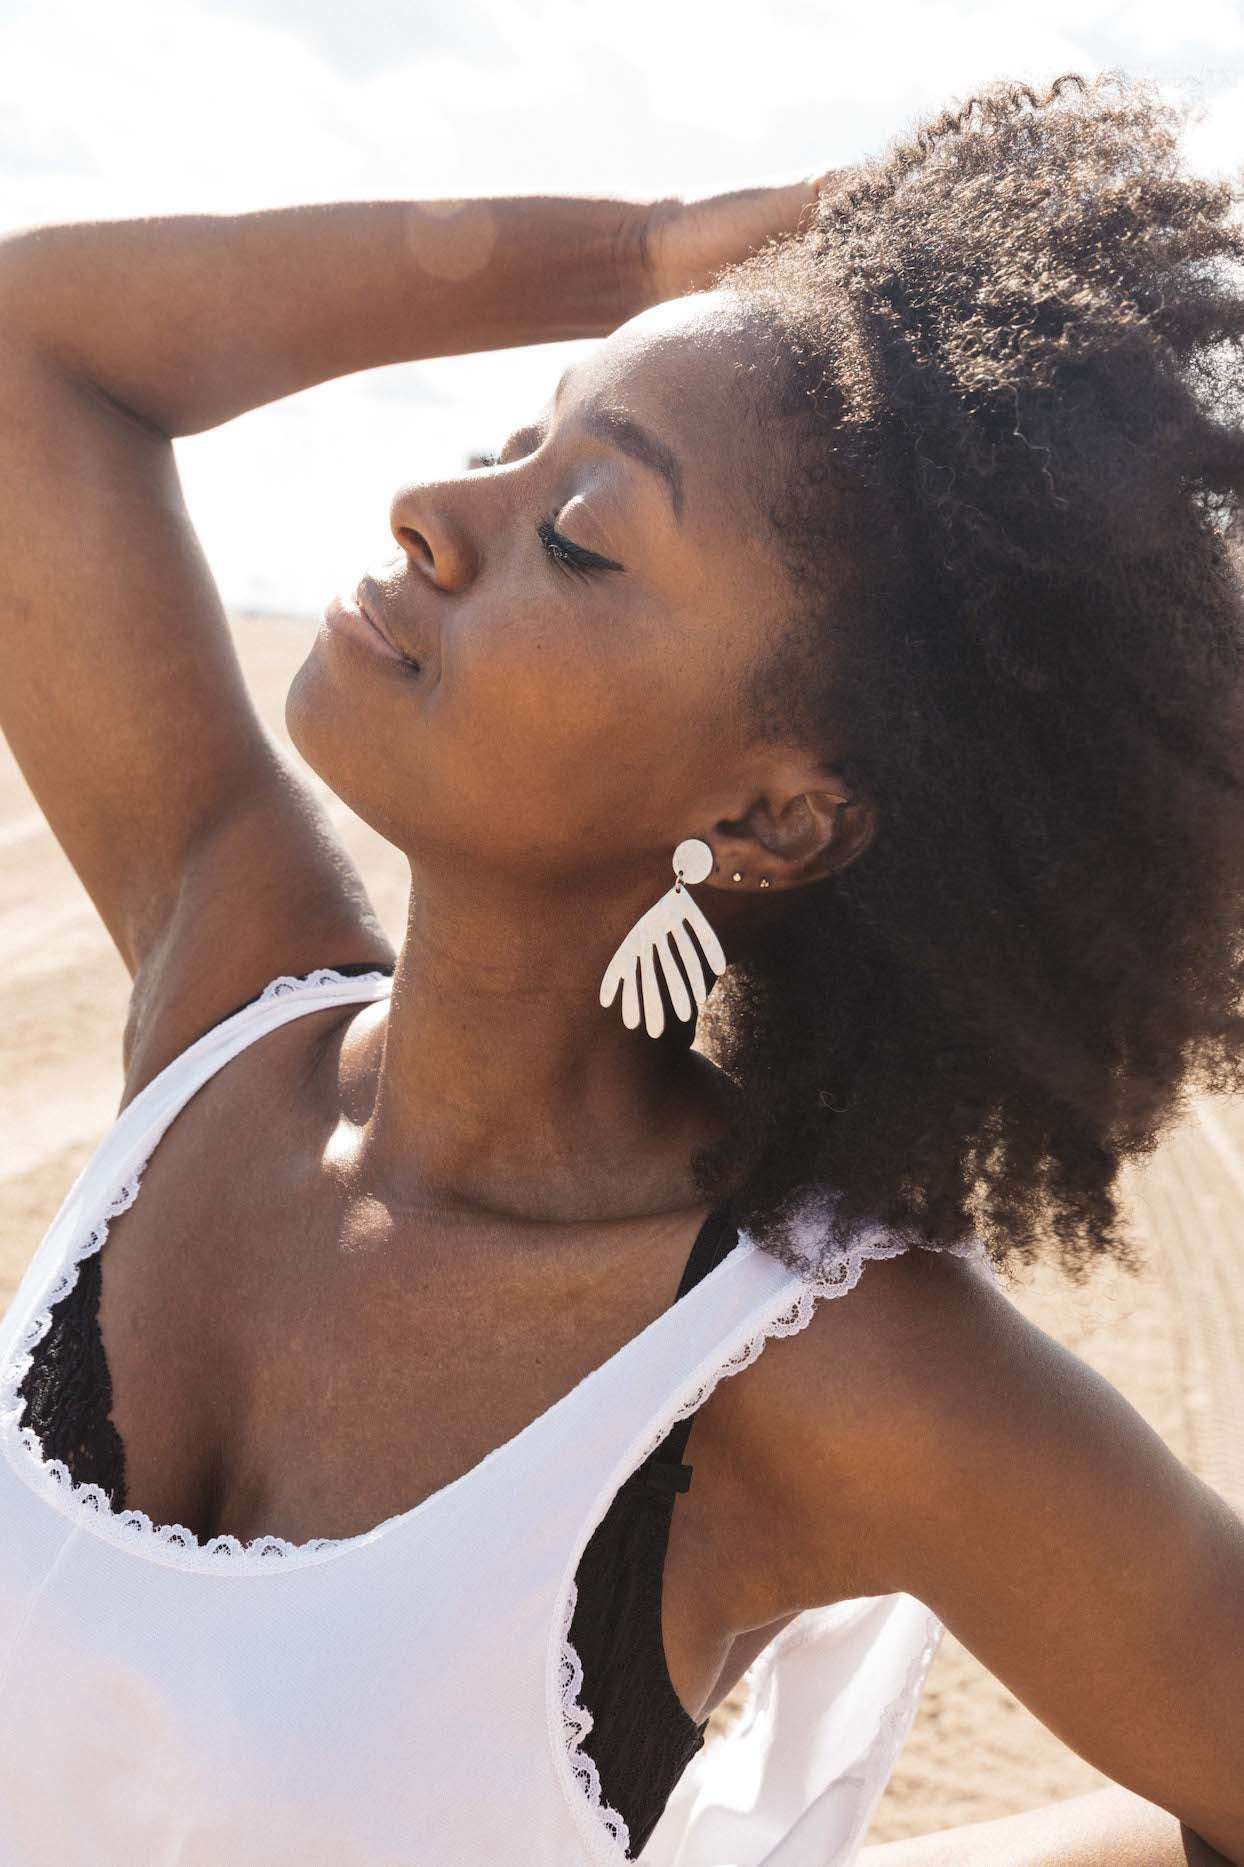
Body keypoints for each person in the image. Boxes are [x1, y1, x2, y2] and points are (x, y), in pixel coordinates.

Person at [0, 66, 1241, 1867]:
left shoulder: (805, 1368)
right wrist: (643, 256)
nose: (435, 505)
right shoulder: (226, 1008)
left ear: (779, 820)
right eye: (514, 440)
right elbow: (39, 355)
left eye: (580, 533)